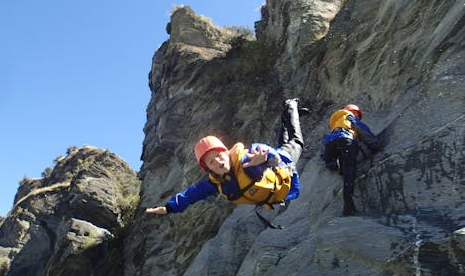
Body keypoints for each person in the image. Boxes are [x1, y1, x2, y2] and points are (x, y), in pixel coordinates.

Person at [146, 99, 306, 228]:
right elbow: (191, 194)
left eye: (218, 155)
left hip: (283, 164)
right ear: (208, 169)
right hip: (275, 190)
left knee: (296, 142)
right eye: (211, 161)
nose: (217, 161)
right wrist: (169, 208)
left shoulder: (247, 159)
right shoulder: (216, 183)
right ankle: (286, 118)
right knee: (283, 143)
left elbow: (265, 151)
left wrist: (266, 159)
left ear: (226, 152)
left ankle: (291, 106)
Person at [322, 104, 381, 216]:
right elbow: (363, 132)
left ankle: (337, 164)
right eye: (357, 115)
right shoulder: (350, 118)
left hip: (330, 142)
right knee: (349, 172)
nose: (358, 117)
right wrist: (375, 146)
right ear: (353, 112)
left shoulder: (336, 124)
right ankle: (349, 207)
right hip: (346, 140)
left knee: (331, 162)